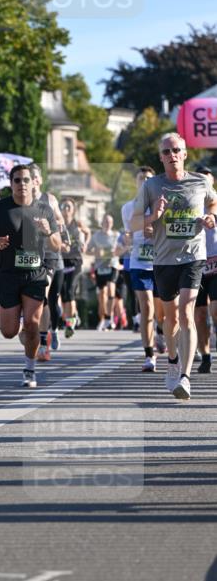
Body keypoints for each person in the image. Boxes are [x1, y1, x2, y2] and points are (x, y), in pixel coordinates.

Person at [130, 133, 217, 400]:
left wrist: (211, 216)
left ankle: (185, 377)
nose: (172, 156)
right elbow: (132, 223)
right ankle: (171, 358)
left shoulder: (200, 182)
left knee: (188, 311)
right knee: (171, 318)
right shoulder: (152, 186)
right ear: (160, 157)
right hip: (164, 259)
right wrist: (152, 216)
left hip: (193, 256)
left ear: (185, 153)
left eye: (176, 150)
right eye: (166, 152)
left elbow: (213, 201)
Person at [0, 164, 61, 388]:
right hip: (8, 274)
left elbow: (57, 245)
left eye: (26, 180)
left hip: (35, 274)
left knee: (32, 323)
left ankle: (29, 370)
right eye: (17, 180)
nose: (22, 184)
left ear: (34, 183)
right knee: (8, 332)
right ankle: (15, 323)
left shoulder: (44, 209)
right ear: (11, 184)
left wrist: (47, 231)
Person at [121, 166, 161, 371]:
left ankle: (161, 332)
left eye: (148, 179)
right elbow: (128, 234)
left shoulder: (161, 205)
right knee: (147, 309)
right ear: (136, 182)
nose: (145, 181)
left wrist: (154, 231)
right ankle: (149, 355)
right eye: (141, 178)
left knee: (162, 313)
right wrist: (128, 238)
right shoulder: (128, 207)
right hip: (139, 263)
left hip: (161, 263)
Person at [29, 163, 65, 360]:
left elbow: (60, 223)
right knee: (35, 299)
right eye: (28, 178)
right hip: (29, 255)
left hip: (49, 254)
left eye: (35, 178)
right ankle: (35, 332)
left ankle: (44, 343)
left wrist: (49, 225)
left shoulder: (49, 199)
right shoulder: (22, 200)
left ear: (39, 180)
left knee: (45, 297)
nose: (31, 183)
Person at [194, 165, 217, 374]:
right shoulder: (190, 204)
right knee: (200, 315)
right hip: (196, 264)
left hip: (216, 264)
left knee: (215, 310)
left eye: (207, 181)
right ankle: (206, 356)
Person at [59, 198, 88, 338]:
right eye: (63, 206)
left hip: (76, 262)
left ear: (73, 209)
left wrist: (85, 244)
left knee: (70, 290)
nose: (66, 209)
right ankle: (72, 316)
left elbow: (87, 233)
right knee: (64, 294)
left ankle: (69, 324)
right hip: (61, 262)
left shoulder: (78, 223)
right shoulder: (58, 224)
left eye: (69, 206)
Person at [88, 214, 120, 330]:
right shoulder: (96, 236)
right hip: (99, 267)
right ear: (102, 223)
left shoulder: (116, 235)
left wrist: (116, 253)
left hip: (112, 266)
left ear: (112, 224)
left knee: (111, 289)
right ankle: (104, 319)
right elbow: (87, 250)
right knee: (102, 295)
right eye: (105, 221)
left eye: (110, 222)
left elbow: (121, 249)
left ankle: (108, 317)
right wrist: (96, 253)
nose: (108, 224)